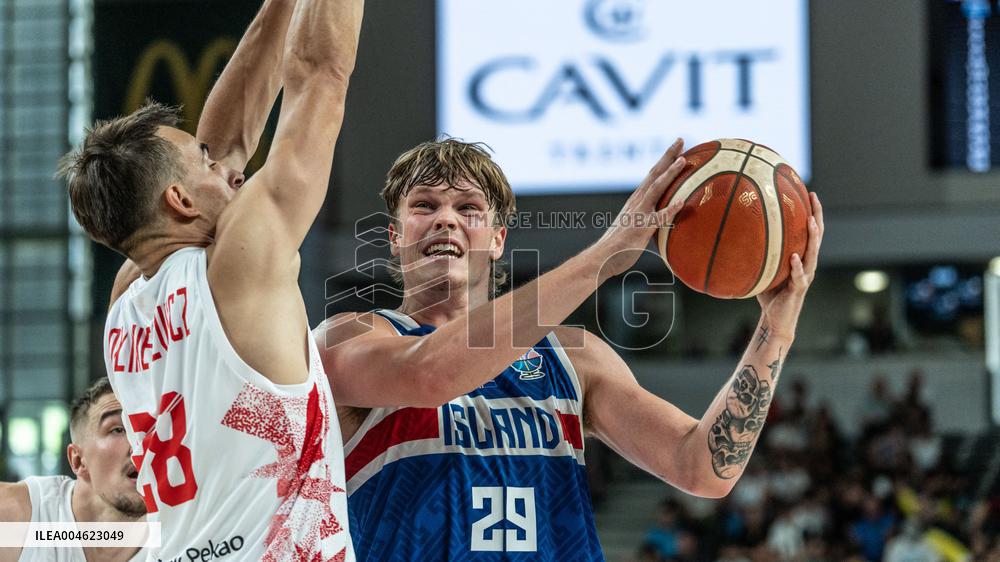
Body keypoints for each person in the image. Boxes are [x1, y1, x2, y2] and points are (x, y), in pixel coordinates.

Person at [315, 139, 825, 559]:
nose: (445, 219)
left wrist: (774, 331)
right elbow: (431, 374)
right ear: (394, 235)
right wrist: (604, 258)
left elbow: (703, 467)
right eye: (424, 205)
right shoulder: (349, 337)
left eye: (468, 208)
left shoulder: (574, 358)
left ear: (497, 239)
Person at [57, 0, 364, 558]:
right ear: (178, 200)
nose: (227, 169)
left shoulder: (127, 296)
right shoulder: (238, 262)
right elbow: (321, 75)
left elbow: (227, 143)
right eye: (205, 163)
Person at [0, 378, 146, 562]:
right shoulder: (21, 518)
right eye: (118, 430)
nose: (141, 446)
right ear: (78, 460)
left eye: (150, 430)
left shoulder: (180, 534)